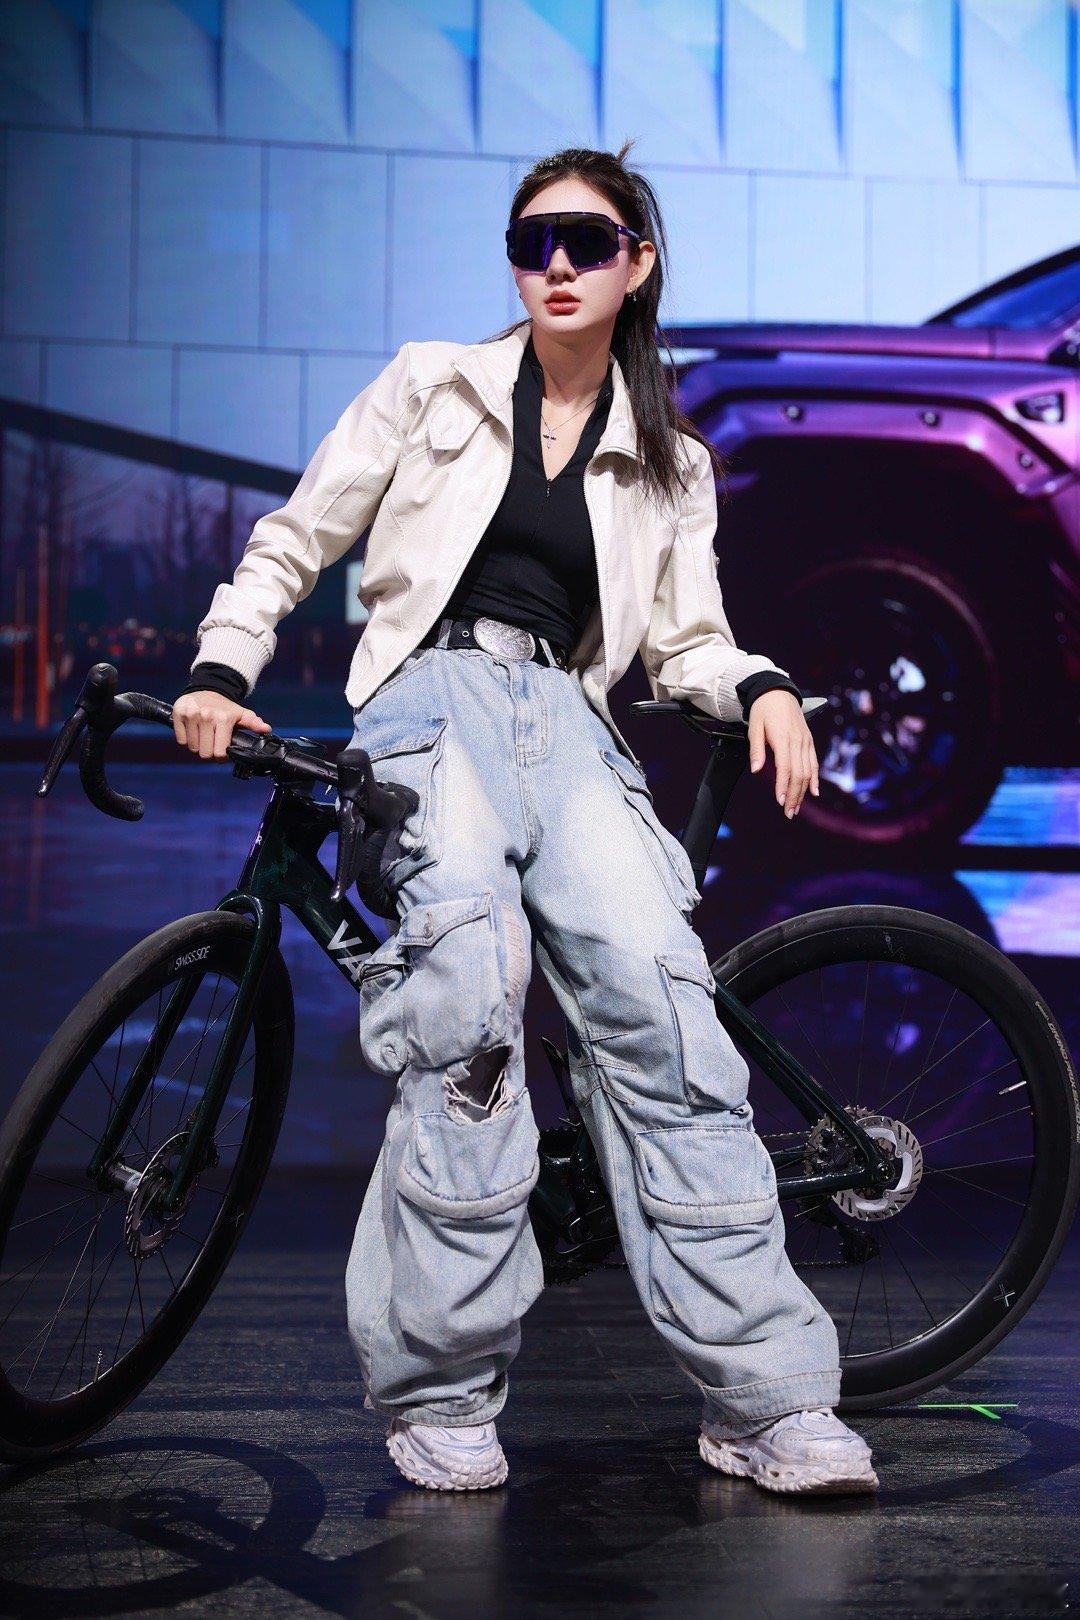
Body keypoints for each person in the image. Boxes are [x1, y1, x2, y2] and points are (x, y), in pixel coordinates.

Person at [173, 141, 879, 1498]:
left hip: (570, 727)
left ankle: (769, 1399)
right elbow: (297, 535)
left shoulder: (670, 461)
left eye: (586, 240)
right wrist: (222, 665)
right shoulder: (431, 382)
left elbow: (688, 643)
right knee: (469, 1004)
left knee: (669, 1024)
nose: (556, 263)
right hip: (431, 704)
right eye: (531, 240)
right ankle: (442, 1387)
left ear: (637, 264)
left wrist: (764, 684)